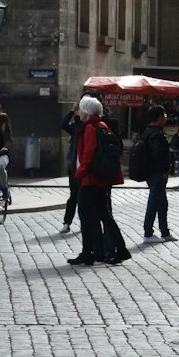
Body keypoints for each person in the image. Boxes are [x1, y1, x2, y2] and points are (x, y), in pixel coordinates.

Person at [68, 95, 129, 268]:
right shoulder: (102, 125)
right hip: (101, 179)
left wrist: (79, 173)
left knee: (87, 217)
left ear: (86, 111)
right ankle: (121, 249)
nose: (79, 112)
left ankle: (88, 253)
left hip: (90, 179)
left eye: (81, 109)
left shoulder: (89, 128)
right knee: (105, 216)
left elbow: (89, 153)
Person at [141, 106, 176, 242]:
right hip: (157, 173)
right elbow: (158, 156)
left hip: (150, 172)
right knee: (154, 203)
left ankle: (165, 232)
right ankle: (148, 233)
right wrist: (165, 170)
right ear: (159, 117)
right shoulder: (157, 135)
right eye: (164, 115)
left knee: (162, 203)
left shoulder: (146, 132)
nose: (165, 118)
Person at [60, 103, 81, 232]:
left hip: (85, 164)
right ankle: (67, 222)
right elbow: (63, 124)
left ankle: (86, 222)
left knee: (84, 197)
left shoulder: (91, 125)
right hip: (74, 163)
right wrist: (72, 112)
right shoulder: (77, 125)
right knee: (74, 195)